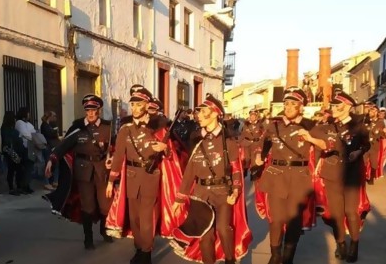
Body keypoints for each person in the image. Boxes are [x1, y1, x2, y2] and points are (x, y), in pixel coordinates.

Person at [105, 84, 183, 264]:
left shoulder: (159, 129)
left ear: (146, 106)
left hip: (150, 177)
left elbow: (172, 156)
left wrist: (165, 149)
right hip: (131, 177)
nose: (134, 108)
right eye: (132, 105)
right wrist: (111, 181)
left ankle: (146, 253)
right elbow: (118, 157)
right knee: (134, 219)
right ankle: (139, 248)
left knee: (146, 218)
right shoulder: (125, 130)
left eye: (138, 105)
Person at [170, 94, 251, 264]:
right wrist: (180, 197)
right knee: (205, 236)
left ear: (215, 113)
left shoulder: (228, 140)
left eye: (203, 111)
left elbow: (236, 168)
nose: (198, 115)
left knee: (223, 228)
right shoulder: (195, 138)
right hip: (201, 194)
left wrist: (236, 190)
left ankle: (230, 260)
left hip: (223, 192)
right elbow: (190, 170)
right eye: (198, 112)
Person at [300, 90, 370, 262]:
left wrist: (358, 152)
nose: (334, 108)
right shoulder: (328, 125)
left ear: (347, 107)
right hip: (332, 174)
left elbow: (366, 145)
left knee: (350, 212)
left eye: (337, 106)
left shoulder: (358, 125)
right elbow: (310, 130)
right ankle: (341, 244)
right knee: (337, 213)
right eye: (333, 105)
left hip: (352, 174)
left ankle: (354, 244)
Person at [254, 87, 317, 264]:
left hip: (299, 177)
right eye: (286, 104)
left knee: (294, 219)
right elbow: (263, 143)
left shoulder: (309, 125)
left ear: (301, 107)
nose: (288, 107)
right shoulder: (273, 124)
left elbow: (326, 144)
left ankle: (288, 256)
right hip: (276, 175)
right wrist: (259, 155)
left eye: (293, 104)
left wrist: (311, 139)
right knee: (276, 218)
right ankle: (275, 255)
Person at [44, 94, 114, 250]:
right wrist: (52, 160)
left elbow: (116, 148)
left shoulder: (107, 128)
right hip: (83, 170)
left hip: (102, 169)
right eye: (87, 110)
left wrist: (113, 160)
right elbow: (63, 146)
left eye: (93, 110)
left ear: (99, 110)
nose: (90, 113)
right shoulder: (77, 127)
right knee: (87, 206)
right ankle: (88, 238)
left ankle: (104, 230)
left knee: (105, 205)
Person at [1, 111, 25, 195]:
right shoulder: (5, 128)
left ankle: (18, 186)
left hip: (16, 150)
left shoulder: (11, 128)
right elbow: (8, 140)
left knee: (18, 169)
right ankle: (11, 188)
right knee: (11, 169)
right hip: (10, 151)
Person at [363, 104, 386, 184]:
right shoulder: (367, 120)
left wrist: (383, 132)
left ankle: (371, 178)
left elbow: (382, 134)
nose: (370, 112)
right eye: (370, 111)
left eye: (372, 111)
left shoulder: (380, 122)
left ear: (376, 112)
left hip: (374, 146)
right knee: (364, 161)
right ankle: (363, 177)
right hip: (366, 146)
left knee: (374, 164)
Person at [40, 111, 61, 188]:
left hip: (52, 146)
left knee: (56, 163)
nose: (55, 118)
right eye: (54, 116)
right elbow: (50, 134)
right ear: (50, 117)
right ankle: (46, 182)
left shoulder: (50, 125)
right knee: (47, 164)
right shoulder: (44, 125)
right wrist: (55, 132)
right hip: (48, 146)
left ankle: (55, 181)